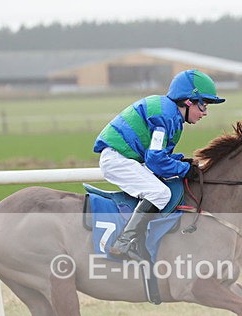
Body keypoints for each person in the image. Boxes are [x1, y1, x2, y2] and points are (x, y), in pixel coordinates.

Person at [93, 69, 225, 261]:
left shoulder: (170, 113)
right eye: (203, 105)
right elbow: (155, 160)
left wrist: (182, 161)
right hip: (118, 160)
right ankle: (124, 243)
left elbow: (159, 154)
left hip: (127, 158)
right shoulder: (165, 116)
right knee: (160, 193)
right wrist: (185, 169)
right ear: (188, 101)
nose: (205, 112)